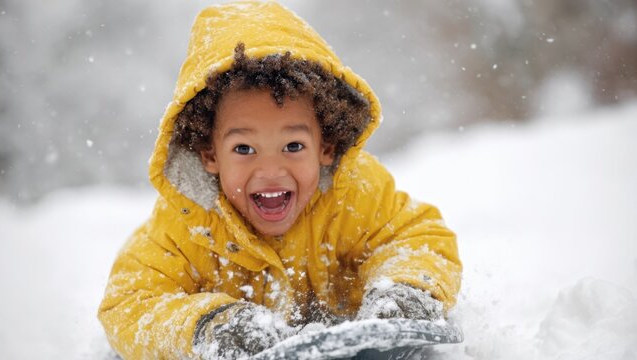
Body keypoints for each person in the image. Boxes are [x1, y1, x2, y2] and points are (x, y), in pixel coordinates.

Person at [98, 1, 462, 359]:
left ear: (326, 147)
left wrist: (406, 290)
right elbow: (130, 302)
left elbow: (417, 237)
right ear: (210, 155)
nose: (270, 170)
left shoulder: (353, 192)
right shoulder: (186, 224)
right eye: (244, 149)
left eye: (292, 145)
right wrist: (209, 325)